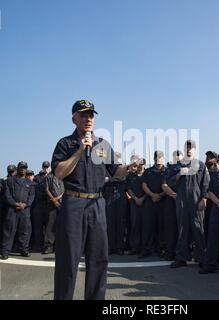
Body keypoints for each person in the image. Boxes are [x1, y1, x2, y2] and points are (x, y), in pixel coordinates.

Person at [51, 99, 137, 300]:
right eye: (83, 115)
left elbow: (117, 172)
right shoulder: (65, 143)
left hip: (97, 204)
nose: (88, 118)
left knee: (99, 260)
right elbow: (59, 173)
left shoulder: (103, 145)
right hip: (73, 204)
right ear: (74, 119)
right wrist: (80, 150)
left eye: (91, 115)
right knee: (68, 261)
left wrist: (130, 168)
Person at [169, 140, 210, 269]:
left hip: (196, 200)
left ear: (194, 149)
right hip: (181, 200)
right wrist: (179, 174)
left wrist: (204, 198)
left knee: (198, 228)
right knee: (182, 229)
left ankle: (202, 257)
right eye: (186, 147)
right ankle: (181, 257)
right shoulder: (177, 165)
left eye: (191, 147)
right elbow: (169, 182)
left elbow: (206, 183)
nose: (188, 150)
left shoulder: (201, 165)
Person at [1, 161, 35, 260]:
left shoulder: (30, 183)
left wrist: (25, 204)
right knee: (9, 231)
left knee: (25, 231)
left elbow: (32, 196)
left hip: (25, 210)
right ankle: (5, 251)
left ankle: (23, 249)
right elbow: (7, 195)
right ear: (18, 168)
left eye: (25, 168)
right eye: (21, 167)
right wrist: (15, 204)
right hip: (12, 209)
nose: (23, 169)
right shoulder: (10, 180)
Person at [141, 151, 166, 258]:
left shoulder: (167, 171)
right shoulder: (148, 171)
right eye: (156, 157)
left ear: (163, 158)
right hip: (150, 201)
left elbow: (170, 185)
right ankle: (147, 249)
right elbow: (144, 185)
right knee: (148, 226)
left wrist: (160, 195)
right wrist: (152, 195)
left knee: (162, 226)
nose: (158, 159)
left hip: (163, 201)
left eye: (160, 157)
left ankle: (161, 249)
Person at [161, 150, 183, 261]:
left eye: (179, 155)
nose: (177, 157)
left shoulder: (187, 169)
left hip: (184, 201)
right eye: (175, 155)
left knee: (182, 228)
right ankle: (170, 252)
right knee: (170, 227)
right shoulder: (168, 169)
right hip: (170, 200)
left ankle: (182, 252)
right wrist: (174, 195)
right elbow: (164, 185)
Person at [126, 156, 146, 256]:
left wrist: (142, 199)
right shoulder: (131, 176)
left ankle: (145, 247)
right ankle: (135, 247)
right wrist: (136, 199)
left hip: (146, 203)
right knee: (135, 225)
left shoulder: (147, 175)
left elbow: (149, 188)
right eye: (138, 164)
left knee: (146, 225)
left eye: (142, 164)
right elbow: (128, 188)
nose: (140, 166)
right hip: (134, 203)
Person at [0, 164, 16, 252]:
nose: (11, 173)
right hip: (2, 207)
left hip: (11, 207)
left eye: (12, 171)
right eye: (10, 172)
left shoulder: (17, 181)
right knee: (0, 228)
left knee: (10, 229)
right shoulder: (4, 181)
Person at [43, 171, 65, 254]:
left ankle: (59, 247)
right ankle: (49, 246)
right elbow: (47, 189)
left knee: (61, 225)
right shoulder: (49, 176)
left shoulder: (63, 175)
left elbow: (65, 189)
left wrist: (58, 198)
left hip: (62, 203)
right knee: (50, 225)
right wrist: (54, 200)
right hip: (51, 204)